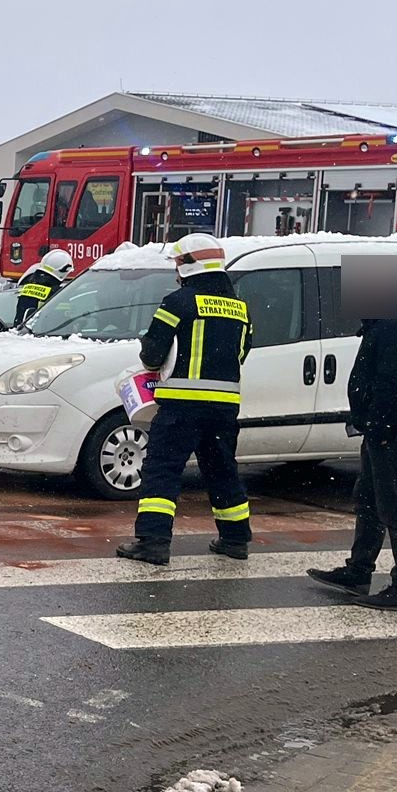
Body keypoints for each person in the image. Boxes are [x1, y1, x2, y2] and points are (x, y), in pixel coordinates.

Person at [116, 233, 253, 566]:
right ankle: (235, 539)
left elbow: (151, 355)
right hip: (224, 408)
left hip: (180, 407)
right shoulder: (240, 308)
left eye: (178, 264)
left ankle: (154, 543)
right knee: (222, 470)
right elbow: (242, 353)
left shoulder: (177, 302)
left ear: (190, 265)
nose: (176, 272)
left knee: (162, 470)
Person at [306, 286, 397, 613]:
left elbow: (394, 385)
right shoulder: (394, 318)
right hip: (391, 431)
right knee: (369, 499)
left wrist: (380, 430)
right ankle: (358, 571)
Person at [13, 248, 75, 327]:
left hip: (22, 333)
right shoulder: (57, 293)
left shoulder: (28, 287)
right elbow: (61, 321)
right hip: (46, 335)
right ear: (63, 271)